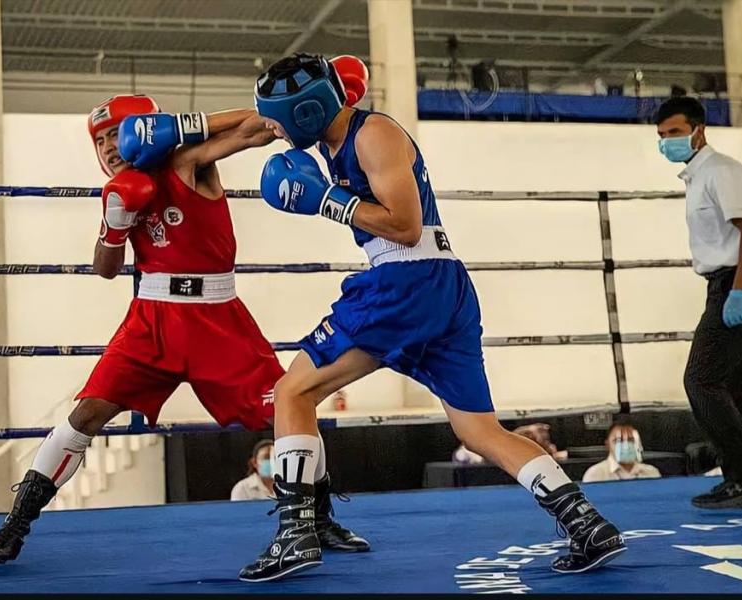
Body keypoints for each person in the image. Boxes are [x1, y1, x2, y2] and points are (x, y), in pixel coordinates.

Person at [238, 53, 626, 583]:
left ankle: (296, 534)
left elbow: (403, 224)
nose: (275, 132)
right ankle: (586, 523)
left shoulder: (373, 135)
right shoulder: (337, 142)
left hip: (405, 282)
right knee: (479, 432)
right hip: (438, 288)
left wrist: (326, 201)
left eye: (279, 121)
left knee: (293, 393)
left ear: (305, 112)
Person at [0, 95, 367, 564]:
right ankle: (14, 526)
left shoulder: (187, 161)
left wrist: (292, 113)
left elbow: (251, 128)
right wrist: (113, 227)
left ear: (144, 129)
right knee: (85, 416)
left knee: (288, 410)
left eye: (115, 135)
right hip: (151, 319)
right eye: (99, 142)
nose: (108, 149)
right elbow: (105, 268)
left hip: (218, 321)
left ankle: (318, 521)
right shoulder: (121, 190)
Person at [655, 96, 742, 510]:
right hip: (734, 283)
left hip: (740, 283)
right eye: (662, 136)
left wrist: (738, 289)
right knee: (737, 388)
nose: (667, 142)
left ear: (698, 130)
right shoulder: (699, 176)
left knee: (701, 381)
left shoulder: (721, 172)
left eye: (675, 133)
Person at [582, 424, 661, 483]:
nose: (625, 446)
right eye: (618, 441)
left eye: (630, 440)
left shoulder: (652, 472)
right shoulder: (595, 474)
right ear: (607, 445)